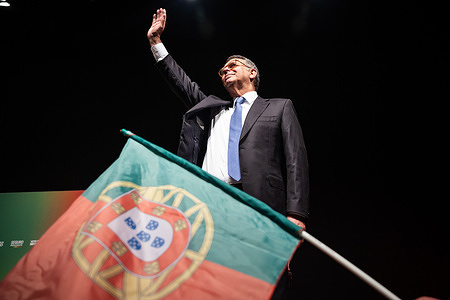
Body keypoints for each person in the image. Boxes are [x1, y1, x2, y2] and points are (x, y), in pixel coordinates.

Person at [147, 8, 309, 298]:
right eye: (222, 71)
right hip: (213, 203)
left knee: (266, 276)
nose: (225, 71)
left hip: (260, 202)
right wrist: (156, 42)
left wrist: (295, 212)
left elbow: (296, 159)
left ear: (252, 72)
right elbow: (180, 82)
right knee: (216, 274)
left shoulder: (279, 107)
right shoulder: (214, 110)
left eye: (233, 65)